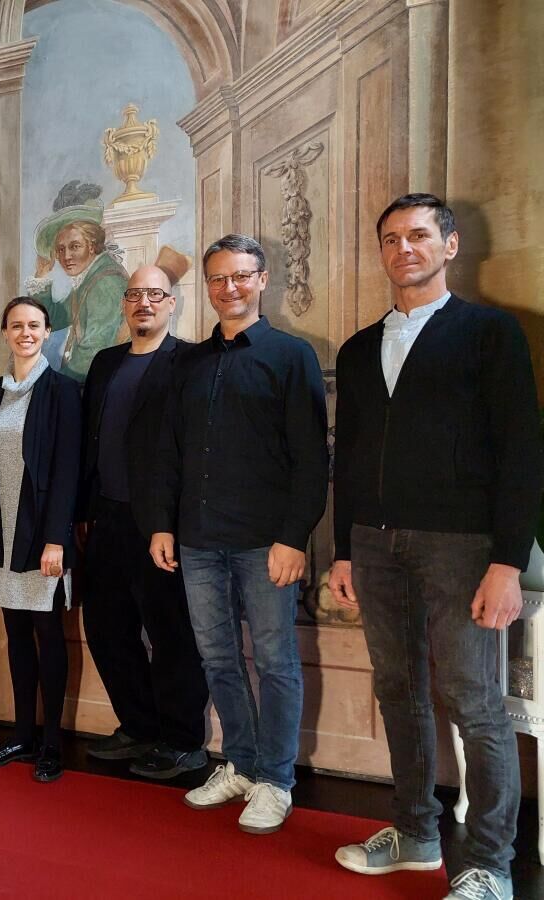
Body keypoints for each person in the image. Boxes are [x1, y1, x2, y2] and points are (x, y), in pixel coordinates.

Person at [330, 194, 542, 900]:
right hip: (374, 544)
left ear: (449, 245)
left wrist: (507, 560)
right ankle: (415, 834)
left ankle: (489, 863)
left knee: (473, 701)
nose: (404, 249)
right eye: (391, 238)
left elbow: (521, 451)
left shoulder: (490, 333)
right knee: (397, 690)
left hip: (461, 546)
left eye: (419, 235)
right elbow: (349, 457)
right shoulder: (359, 349)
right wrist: (343, 549)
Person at [150, 233, 327, 835]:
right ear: (207, 286)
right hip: (198, 538)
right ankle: (242, 765)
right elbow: (170, 453)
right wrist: (162, 525)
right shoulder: (188, 363)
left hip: (264, 541)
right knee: (218, 658)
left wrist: (294, 537)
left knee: (275, 662)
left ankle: (276, 779)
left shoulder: (291, 355)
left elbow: (311, 458)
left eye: (241, 276)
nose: (230, 288)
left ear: (262, 279)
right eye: (219, 279)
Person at [79, 265, 209, 777]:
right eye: (135, 294)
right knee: (106, 629)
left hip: (161, 524)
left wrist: (172, 522)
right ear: (124, 303)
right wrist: (84, 513)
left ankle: (183, 741)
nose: (144, 303)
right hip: (106, 518)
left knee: (172, 634)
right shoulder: (105, 363)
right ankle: (138, 727)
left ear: (172, 303)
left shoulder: (190, 361)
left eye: (155, 294)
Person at [0, 297, 81, 782]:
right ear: (5, 332)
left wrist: (57, 539)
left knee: (47, 634)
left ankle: (52, 742)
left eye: (34, 325)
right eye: (16, 325)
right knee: (14, 634)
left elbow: (67, 471)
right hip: (1, 530)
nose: (25, 333)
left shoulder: (63, 392)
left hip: (41, 536)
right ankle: (22, 735)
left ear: (48, 332)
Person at [24, 183, 129, 382]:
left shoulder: (105, 283)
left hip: (107, 383)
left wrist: (56, 385)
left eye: (75, 246)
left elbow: (92, 353)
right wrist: (41, 276)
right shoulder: (89, 280)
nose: (66, 257)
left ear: (92, 246)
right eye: (60, 249)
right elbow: (53, 320)